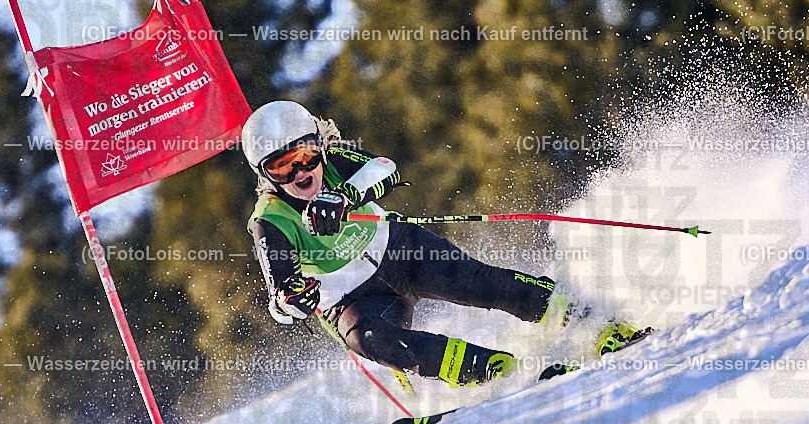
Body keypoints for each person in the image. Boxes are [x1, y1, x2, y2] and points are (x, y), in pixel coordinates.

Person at [241, 100, 643, 387]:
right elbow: (280, 300)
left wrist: (344, 196)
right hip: (353, 301)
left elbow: (386, 168)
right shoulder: (270, 219)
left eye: (307, 156)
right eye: (281, 165)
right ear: (265, 174)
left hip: (401, 251)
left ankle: (595, 324)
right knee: (373, 342)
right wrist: (292, 300)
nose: (300, 172)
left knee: (482, 283)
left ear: (318, 145)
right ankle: (494, 372)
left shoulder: (335, 162)